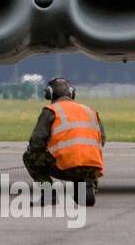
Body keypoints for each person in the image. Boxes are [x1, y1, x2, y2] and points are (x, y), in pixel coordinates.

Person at [23, 77, 104, 206]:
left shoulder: (51, 111)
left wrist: (51, 149)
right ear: (72, 93)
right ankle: (87, 186)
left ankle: (48, 194)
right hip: (92, 168)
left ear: (49, 93)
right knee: (81, 159)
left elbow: (36, 143)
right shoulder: (90, 111)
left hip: (67, 166)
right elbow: (101, 140)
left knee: (30, 157)